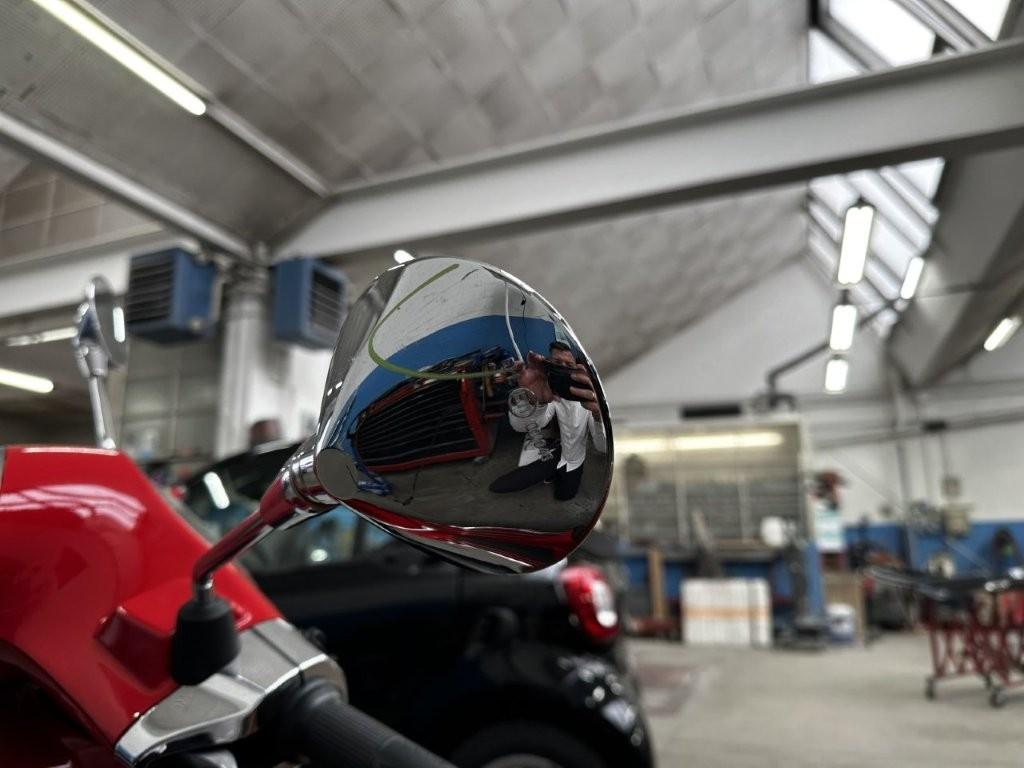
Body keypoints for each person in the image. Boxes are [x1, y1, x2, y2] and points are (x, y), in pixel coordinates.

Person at [489, 341, 606, 501]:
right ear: (550, 365)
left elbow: (602, 446)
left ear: (576, 367)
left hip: (575, 460)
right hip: (560, 451)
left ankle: (554, 468)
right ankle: (553, 459)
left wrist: (598, 414)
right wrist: (534, 400)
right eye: (557, 363)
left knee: (564, 495)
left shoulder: (590, 397)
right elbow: (523, 426)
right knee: (509, 483)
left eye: (568, 365)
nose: (563, 368)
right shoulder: (551, 393)